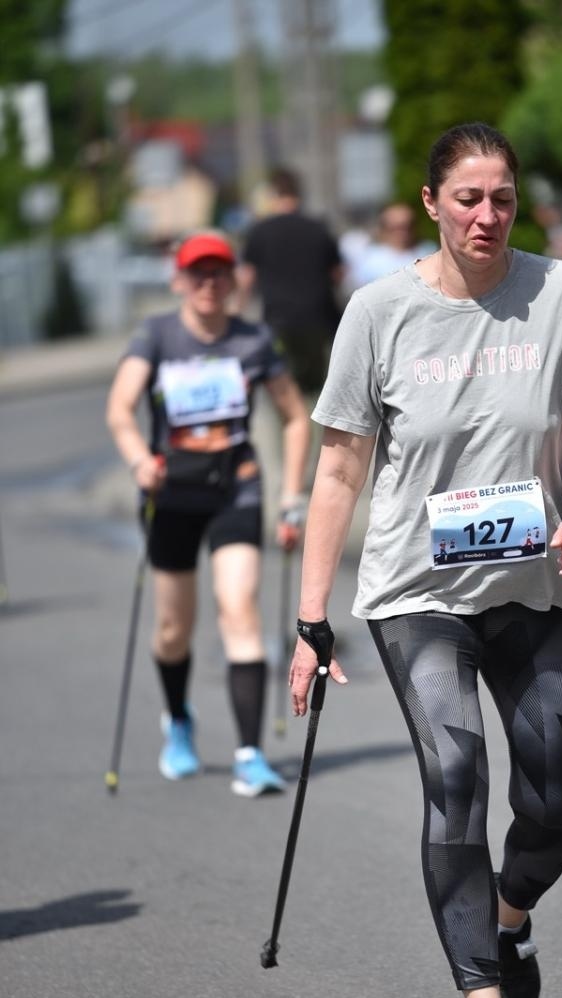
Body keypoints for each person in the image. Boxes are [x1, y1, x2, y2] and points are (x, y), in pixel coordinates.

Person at [289, 123, 562, 998]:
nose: (487, 215)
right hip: (416, 591)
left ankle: (508, 923)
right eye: (468, 198)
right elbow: (341, 468)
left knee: (552, 803)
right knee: (457, 771)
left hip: (535, 585)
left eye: (503, 199)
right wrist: (314, 618)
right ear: (431, 201)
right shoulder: (380, 313)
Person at [106, 229, 310, 797]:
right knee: (174, 627)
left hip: (235, 490)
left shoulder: (253, 340)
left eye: (219, 272)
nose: (209, 283)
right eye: (198, 273)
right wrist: (137, 460)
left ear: (233, 280)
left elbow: (295, 417)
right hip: (170, 496)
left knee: (238, 606)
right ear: (179, 280)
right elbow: (121, 409)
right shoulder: (157, 336)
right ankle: (178, 719)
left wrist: (292, 494)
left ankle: (249, 754)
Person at [238, 167, 343, 397]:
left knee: (282, 389)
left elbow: (247, 277)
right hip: (318, 319)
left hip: (278, 320)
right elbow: (337, 274)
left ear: (273, 194)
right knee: (319, 390)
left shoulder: (260, 231)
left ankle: (291, 431)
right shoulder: (319, 228)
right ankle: (317, 432)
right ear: (299, 193)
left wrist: (236, 313)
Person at [344, 201, 437, 291]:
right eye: (396, 228)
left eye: (407, 226)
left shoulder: (429, 251)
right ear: (384, 229)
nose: (403, 232)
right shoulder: (369, 260)